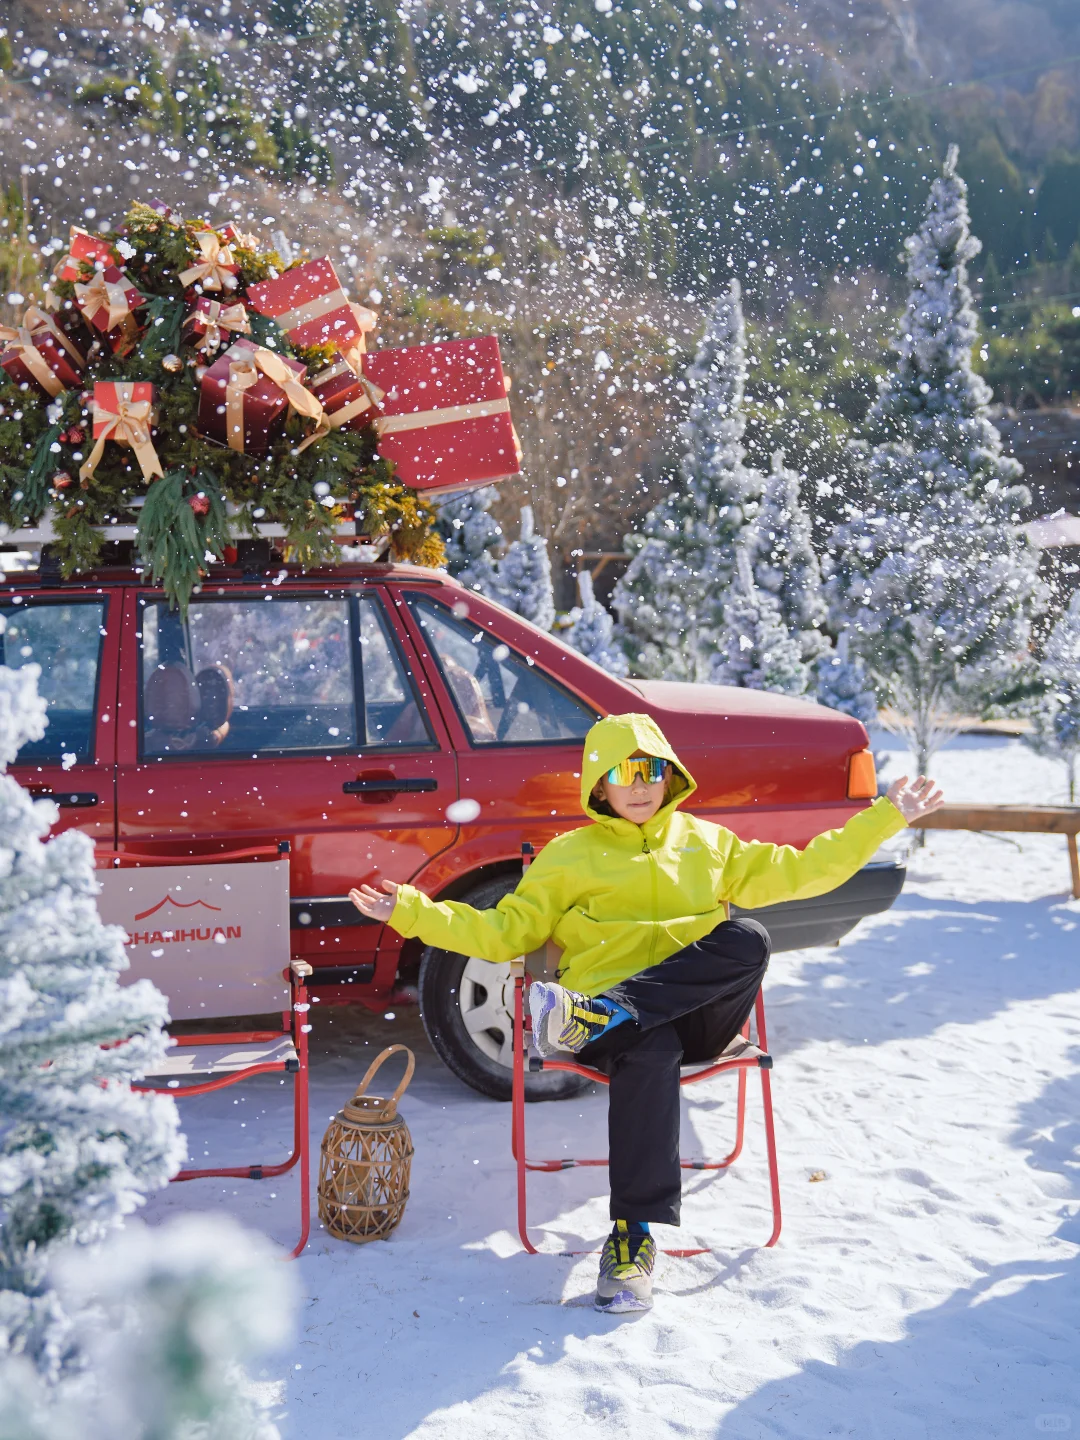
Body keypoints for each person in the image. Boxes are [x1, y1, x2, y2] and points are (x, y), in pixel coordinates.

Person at [350, 712, 943, 1314]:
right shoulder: (569, 856)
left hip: (694, 1016)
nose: (639, 784)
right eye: (624, 771)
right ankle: (632, 1237)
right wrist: (412, 912)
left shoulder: (707, 844)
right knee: (649, 1048)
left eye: (652, 769)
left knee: (749, 939)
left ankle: (607, 1013)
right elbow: (505, 932)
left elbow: (807, 869)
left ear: (670, 776)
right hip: (623, 1035)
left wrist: (887, 815)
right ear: (599, 783)